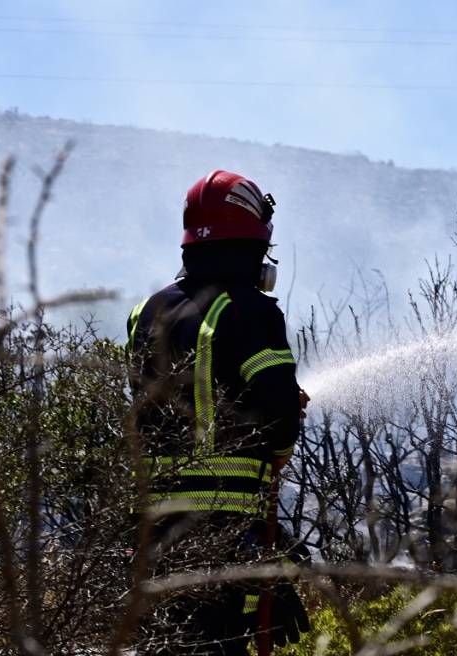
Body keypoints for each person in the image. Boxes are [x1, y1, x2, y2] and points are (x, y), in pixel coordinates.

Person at [126, 170, 310, 655]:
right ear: (254, 246)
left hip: (152, 530)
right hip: (222, 530)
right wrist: (283, 439)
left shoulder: (147, 311)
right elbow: (279, 415)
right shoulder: (251, 311)